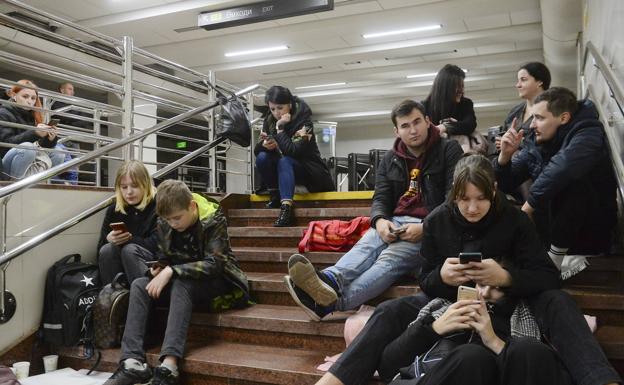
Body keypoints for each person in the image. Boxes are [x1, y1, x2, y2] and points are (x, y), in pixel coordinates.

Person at [314, 154, 561, 385]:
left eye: (481, 198)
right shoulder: (436, 220)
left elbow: (547, 276)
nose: (472, 208)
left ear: (494, 191)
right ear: (454, 194)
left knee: (476, 356)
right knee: (389, 310)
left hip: (502, 302)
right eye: (464, 199)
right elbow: (426, 280)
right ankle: (336, 379)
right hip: (445, 298)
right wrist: (443, 277)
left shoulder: (515, 219)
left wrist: (505, 277)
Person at [285, 99, 463, 321]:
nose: (413, 130)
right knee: (367, 245)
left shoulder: (448, 150)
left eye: (417, 122)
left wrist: (426, 228)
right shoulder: (390, 158)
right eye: (405, 126)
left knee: (388, 260)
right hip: (394, 222)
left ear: (428, 122)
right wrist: (379, 221)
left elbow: (453, 199)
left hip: (431, 228)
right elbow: (381, 197)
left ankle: (331, 303)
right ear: (396, 130)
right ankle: (330, 279)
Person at [103, 180, 250, 385]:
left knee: (182, 283)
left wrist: (172, 271)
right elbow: (165, 255)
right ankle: (132, 362)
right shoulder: (165, 221)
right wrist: (159, 267)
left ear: (192, 206)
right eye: (168, 220)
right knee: (138, 284)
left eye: (177, 218)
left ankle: (169, 366)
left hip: (220, 281)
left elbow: (215, 264)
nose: (173, 224)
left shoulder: (213, 219)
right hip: (182, 277)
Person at [494, 87, 617, 279]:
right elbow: (504, 183)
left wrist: (528, 207)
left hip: (590, 232)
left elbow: (564, 167)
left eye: (540, 118)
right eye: (532, 117)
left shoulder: (588, 131)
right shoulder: (537, 142)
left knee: (568, 178)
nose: (532, 125)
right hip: (552, 233)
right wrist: (505, 157)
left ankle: (554, 261)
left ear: (564, 118)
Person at [254, 85, 334, 227]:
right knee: (262, 157)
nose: (276, 113)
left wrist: (280, 129)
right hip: (285, 172)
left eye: (280, 108)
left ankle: (286, 209)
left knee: (285, 161)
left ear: (289, 105)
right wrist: (265, 145)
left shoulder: (305, 123)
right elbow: (257, 150)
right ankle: (275, 196)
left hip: (310, 172)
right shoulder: (269, 121)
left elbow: (294, 151)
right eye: (272, 109)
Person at [97, 160, 158, 285]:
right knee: (107, 249)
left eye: (134, 186)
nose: (129, 192)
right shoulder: (113, 210)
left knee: (129, 250)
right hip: (119, 265)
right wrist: (108, 239)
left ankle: (141, 295)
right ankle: (113, 297)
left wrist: (128, 240)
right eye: (124, 187)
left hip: (149, 264)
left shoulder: (157, 206)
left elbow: (157, 245)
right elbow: (99, 251)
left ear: (145, 185)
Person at [0, 80, 65, 179]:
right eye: (25, 96)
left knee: (58, 152)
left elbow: (39, 145)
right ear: (14, 95)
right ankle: (15, 187)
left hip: (27, 160)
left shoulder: (33, 116)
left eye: (33, 98)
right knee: (28, 148)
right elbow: (5, 144)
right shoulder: (3, 113)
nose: (30, 101)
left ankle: (40, 183)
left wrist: (49, 139)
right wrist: (34, 133)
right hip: (6, 162)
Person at [495, 62, 551, 152]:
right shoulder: (514, 112)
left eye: (523, 80)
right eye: (518, 81)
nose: (518, 85)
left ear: (540, 82)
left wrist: (518, 144)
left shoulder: (552, 108)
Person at [422, 64, 477, 147]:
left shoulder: (465, 104)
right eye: (458, 87)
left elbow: (470, 124)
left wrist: (446, 127)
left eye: (462, 86)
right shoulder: (424, 107)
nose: (462, 91)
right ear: (446, 87)